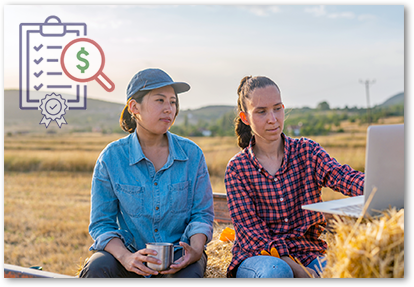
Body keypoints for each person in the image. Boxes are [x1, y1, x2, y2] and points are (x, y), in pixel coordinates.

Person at [224, 75, 365, 278]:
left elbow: (343, 176)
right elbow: (255, 236)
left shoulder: (307, 151)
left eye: (277, 108)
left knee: (349, 271)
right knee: (278, 272)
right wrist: (300, 272)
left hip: (308, 253)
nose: (272, 119)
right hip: (259, 259)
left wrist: (379, 187)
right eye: (261, 112)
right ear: (245, 118)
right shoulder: (237, 169)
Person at [79, 68, 214, 278]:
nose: (169, 109)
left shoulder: (192, 155)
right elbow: (102, 224)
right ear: (134, 107)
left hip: (180, 258)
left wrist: (195, 250)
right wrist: (126, 257)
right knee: (97, 267)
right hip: (130, 256)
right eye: (160, 100)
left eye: (173, 102)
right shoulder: (111, 158)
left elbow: (201, 215)